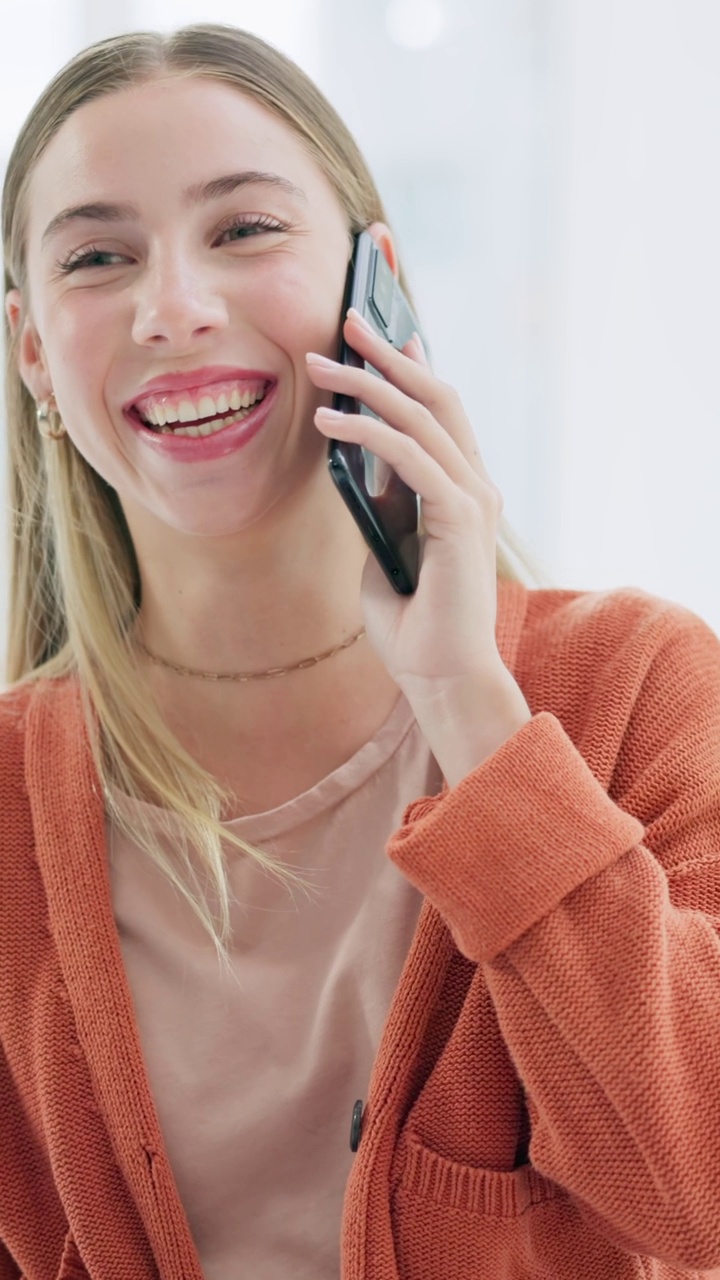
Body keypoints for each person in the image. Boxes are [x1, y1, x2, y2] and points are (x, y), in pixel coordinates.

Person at [2, 22, 720, 1280]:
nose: (175, 307)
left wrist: (469, 709)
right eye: (101, 256)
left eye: (245, 229)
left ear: (375, 283)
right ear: (32, 354)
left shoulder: (638, 687)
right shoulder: (12, 798)